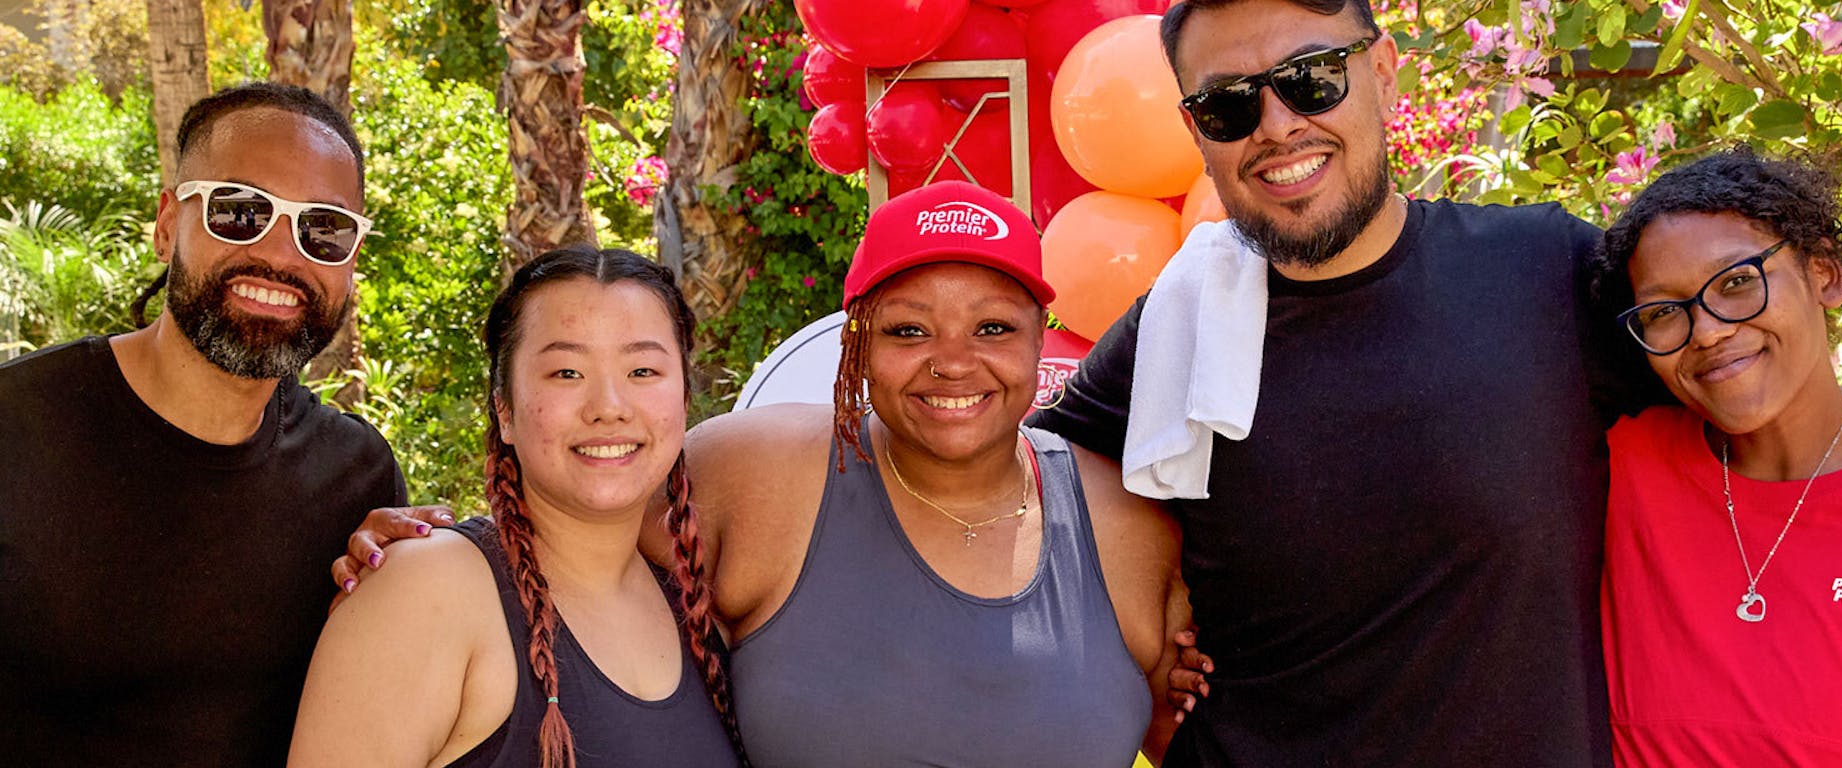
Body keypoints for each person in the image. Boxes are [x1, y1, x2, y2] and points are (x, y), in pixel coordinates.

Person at [1028, 1, 1842, 766]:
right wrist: (1144, 641)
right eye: (1226, 106)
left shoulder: (1546, 270)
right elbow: (1050, 463)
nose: (1275, 126)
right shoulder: (1183, 317)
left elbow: (1736, 371)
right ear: (1196, 132)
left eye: (1310, 80)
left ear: (1382, 69)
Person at [337, 181, 1189, 765]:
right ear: (853, 345)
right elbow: (571, 528)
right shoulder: (759, 471)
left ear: (1044, 336)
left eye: (994, 329)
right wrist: (424, 552)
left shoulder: (1121, 523)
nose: (953, 364)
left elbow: (1215, 725)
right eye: (907, 331)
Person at [0, 82, 408, 764]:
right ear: (167, 225)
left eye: (324, 228)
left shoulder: (357, 478)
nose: (282, 256)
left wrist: (399, 573)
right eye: (240, 211)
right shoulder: (16, 429)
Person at [289, 246, 740, 767]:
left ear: (684, 399)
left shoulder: (699, 608)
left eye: (642, 370)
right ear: (503, 409)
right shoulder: (428, 590)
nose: (609, 407)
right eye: (566, 373)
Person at [1592, 149, 1842, 766]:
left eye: (1737, 281)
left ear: (1824, 273)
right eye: (1664, 311)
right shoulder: (1618, 465)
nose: (1709, 330)